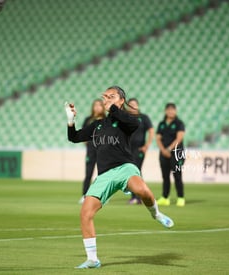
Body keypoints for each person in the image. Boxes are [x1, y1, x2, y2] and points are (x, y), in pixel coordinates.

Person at [65, 86, 174, 269]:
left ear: (121, 100)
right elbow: (74, 137)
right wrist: (70, 120)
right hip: (105, 175)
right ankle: (92, 259)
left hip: (125, 167)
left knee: (142, 190)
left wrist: (112, 106)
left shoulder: (127, 120)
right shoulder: (98, 124)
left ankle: (156, 214)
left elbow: (134, 124)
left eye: (111, 96)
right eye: (105, 96)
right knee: (85, 213)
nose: (106, 99)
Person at [155, 103, 186, 207]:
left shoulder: (179, 123)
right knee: (165, 177)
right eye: (168, 110)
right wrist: (163, 150)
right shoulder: (161, 124)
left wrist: (168, 149)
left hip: (176, 153)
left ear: (175, 111)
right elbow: (158, 138)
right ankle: (165, 197)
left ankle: (180, 198)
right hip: (163, 153)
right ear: (165, 111)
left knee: (177, 175)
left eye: (172, 110)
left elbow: (179, 138)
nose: (170, 111)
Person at [126, 98, 154, 205]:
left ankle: (138, 196)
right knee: (132, 172)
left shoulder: (144, 118)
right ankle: (139, 196)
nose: (132, 106)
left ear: (138, 106)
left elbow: (151, 131)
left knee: (135, 171)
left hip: (138, 149)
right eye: (130, 104)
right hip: (127, 149)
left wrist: (147, 145)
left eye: (134, 104)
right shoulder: (125, 118)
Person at [79, 99, 106, 204]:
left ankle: (101, 196)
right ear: (93, 107)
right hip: (90, 150)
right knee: (88, 173)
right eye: (96, 105)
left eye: (100, 105)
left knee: (102, 174)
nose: (98, 107)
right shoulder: (88, 120)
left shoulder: (106, 119)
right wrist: (87, 142)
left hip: (103, 151)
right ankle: (85, 195)